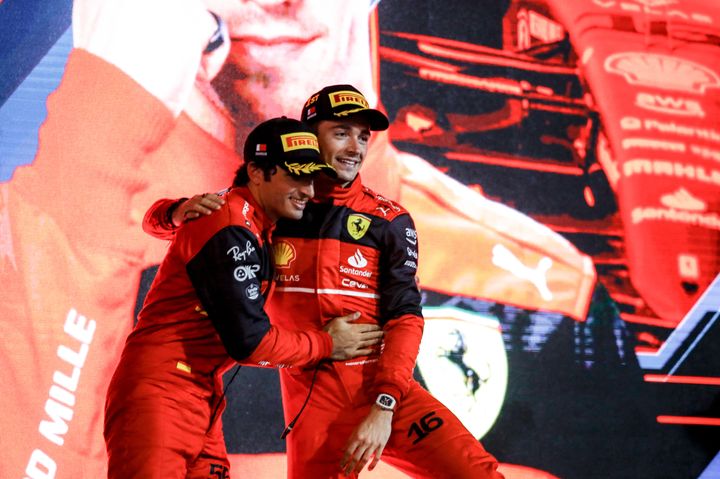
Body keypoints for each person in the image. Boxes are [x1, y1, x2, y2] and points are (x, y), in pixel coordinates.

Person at [146, 85, 504, 478]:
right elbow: (188, 223)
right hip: (310, 404)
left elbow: (406, 317)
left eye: (363, 136)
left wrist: (384, 405)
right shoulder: (276, 206)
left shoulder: (388, 220)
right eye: (341, 133)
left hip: (383, 394)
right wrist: (173, 212)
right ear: (308, 136)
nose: (356, 147)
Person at [104, 116, 384, 479]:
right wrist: (327, 344)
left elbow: (157, 221)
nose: (309, 191)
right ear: (256, 171)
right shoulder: (230, 225)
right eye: (295, 176)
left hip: (201, 395)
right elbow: (249, 343)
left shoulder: (254, 217)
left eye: (311, 178)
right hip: (161, 393)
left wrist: (170, 213)